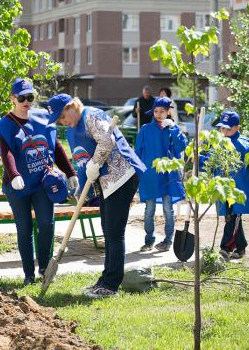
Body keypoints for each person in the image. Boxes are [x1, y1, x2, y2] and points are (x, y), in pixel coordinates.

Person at [48, 93, 146, 299]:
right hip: (106, 182)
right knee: (107, 230)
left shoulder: (92, 115)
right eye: (59, 120)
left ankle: (111, 285)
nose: (62, 122)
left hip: (122, 177)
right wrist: (82, 186)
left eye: (62, 116)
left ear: (72, 106)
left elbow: (107, 141)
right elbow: (82, 160)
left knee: (114, 231)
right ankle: (105, 279)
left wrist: (96, 162)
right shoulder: (74, 129)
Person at [0, 79, 78, 286]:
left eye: (30, 97)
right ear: (13, 99)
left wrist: (69, 171)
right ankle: (28, 274)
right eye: (21, 97)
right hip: (18, 185)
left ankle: (44, 268)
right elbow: (6, 153)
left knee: (46, 225)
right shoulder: (6, 124)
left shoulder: (42, 118)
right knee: (24, 229)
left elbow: (55, 146)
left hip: (43, 183)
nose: (26, 101)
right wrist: (13, 175)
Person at [212, 110, 249, 260]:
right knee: (231, 217)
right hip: (223, 189)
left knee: (233, 217)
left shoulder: (246, 145)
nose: (224, 132)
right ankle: (241, 246)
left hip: (240, 190)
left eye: (228, 128)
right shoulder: (218, 143)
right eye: (222, 128)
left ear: (237, 127)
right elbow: (210, 162)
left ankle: (225, 248)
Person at [135, 96, 188, 252]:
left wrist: (174, 129)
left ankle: (167, 241)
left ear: (168, 112)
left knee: (168, 210)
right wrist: (139, 173)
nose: (158, 114)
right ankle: (149, 240)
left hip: (168, 177)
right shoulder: (145, 129)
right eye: (156, 111)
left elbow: (180, 147)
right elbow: (137, 152)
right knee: (149, 209)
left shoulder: (172, 129)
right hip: (150, 177)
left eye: (162, 111)